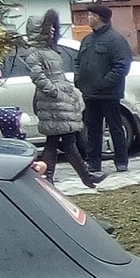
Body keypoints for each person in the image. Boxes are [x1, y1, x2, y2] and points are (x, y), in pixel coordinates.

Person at [26, 12, 102, 188]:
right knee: (68, 142)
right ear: (40, 30)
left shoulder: (51, 50)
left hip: (60, 102)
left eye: (54, 26)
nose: (52, 30)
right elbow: (38, 75)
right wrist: (55, 92)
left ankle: (49, 177)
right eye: (48, 26)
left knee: (55, 142)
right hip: (52, 103)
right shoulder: (36, 52)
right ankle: (86, 177)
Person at [74, 3, 133, 174]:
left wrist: (104, 83)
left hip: (109, 94)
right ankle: (93, 163)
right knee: (92, 129)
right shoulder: (87, 40)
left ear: (98, 18)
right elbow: (78, 62)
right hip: (90, 93)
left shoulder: (116, 40)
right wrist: (79, 79)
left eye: (91, 15)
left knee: (115, 127)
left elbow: (122, 67)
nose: (88, 18)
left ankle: (121, 161)